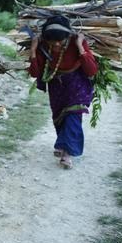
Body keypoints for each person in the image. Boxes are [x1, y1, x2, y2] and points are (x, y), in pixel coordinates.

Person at [28, 15, 98, 169]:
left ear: (68, 36)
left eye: (61, 41)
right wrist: (33, 50)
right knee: (59, 116)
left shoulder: (76, 42)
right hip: (56, 84)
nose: (57, 44)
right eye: (53, 42)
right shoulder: (42, 45)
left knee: (73, 115)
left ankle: (67, 153)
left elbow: (92, 70)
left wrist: (80, 46)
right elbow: (34, 72)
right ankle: (63, 143)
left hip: (77, 82)